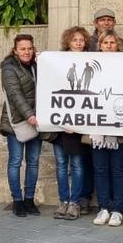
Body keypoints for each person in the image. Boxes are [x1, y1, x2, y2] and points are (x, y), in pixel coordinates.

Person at [0, 33, 42, 217]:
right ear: (15, 51)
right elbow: (15, 94)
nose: (27, 51)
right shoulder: (9, 68)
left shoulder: (36, 66)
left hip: (37, 120)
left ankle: (29, 200)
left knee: (33, 162)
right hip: (16, 122)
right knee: (16, 162)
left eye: (29, 48)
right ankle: (17, 200)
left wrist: (43, 62)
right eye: (22, 48)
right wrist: (29, 115)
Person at [90, 30, 123, 227]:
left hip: (119, 128)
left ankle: (117, 210)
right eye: (105, 42)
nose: (109, 45)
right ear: (100, 45)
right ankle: (103, 207)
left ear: (117, 45)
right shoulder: (91, 67)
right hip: (97, 127)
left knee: (118, 170)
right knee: (100, 169)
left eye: (112, 42)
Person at [53, 26, 90, 220]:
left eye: (81, 40)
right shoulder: (57, 61)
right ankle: (63, 201)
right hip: (60, 123)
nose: (78, 43)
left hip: (79, 124)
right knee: (60, 164)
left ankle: (75, 202)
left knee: (77, 164)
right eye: (74, 39)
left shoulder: (92, 61)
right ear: (67, 41)